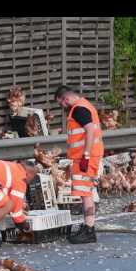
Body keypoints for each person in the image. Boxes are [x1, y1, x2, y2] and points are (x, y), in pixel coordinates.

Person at [55, 85, 104, 244]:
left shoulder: (78, 109)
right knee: (86, 192)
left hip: (86, 158)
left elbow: (89, 129)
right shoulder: (85, 105)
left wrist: (86, 155)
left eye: (60, 103)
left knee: (85, 194)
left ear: (66, 99)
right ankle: (88, 227)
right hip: (87, 156)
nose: (62, 107)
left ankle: (89, 230)